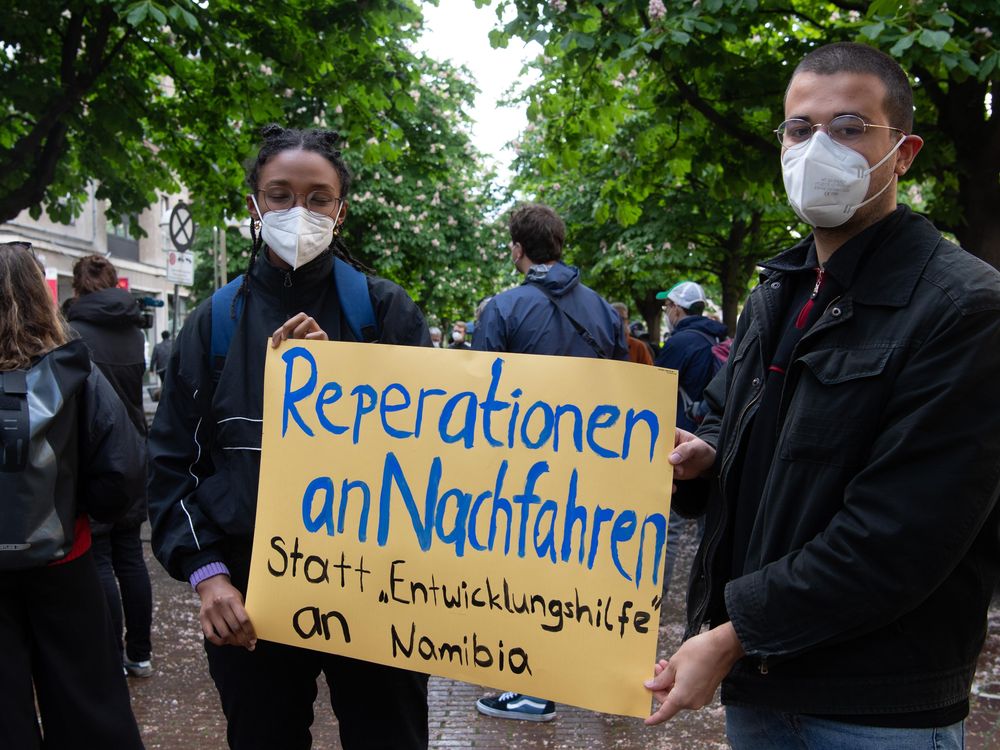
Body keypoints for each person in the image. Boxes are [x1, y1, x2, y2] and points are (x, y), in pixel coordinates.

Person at [644, 42, 1000, 749]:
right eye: (800, 129)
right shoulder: (780, 291)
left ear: (903, 153)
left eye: (848, 128)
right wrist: (703, 455)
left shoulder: (965, 308)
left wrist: (732, 637)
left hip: (874, 708)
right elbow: (732, 423)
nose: (817, 148)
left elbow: (901, 535)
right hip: (766, 687)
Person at [147, 125, 432, 750]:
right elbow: (172, 465)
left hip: (377, 587)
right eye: (279, 195)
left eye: (317, 197)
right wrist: (209, 575)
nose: (297, 211)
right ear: (255, 205)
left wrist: (347, 389)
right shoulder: (214, 324)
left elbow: (437, 458)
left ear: (340, 210)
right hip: (251, 597)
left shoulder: (386, 314)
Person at [473, 202, 628, 722]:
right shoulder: (603, 310)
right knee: (575, 568)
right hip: (591, 467)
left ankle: (533, 689)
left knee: (524, 573)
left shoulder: (503, 310)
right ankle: (580, 672)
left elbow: (478, 397)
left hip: (519, 468)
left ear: (517, 248)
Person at [0, 242, 146, 748]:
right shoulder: (73, 370)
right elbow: (123, 467)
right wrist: (82, 512)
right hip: (64, 556)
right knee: (88, 707)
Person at [66, 254, 155, 679]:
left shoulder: (75, 334)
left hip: (97, 454)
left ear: (79, 287)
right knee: (131, 557)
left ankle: (111, 654)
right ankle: (140, 652)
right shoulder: (133, 333)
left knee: (100, 558)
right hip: (136, 449)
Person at [652, 281, 727, 600]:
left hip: (679, 443)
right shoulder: (720, 337)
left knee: (667, 528)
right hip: (714, 443)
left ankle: (655, 597)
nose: (666, 312)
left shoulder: (680, 342)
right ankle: (705, 591)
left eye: (667, 306)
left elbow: (652, 391)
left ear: (677, 309)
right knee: (707, 531)